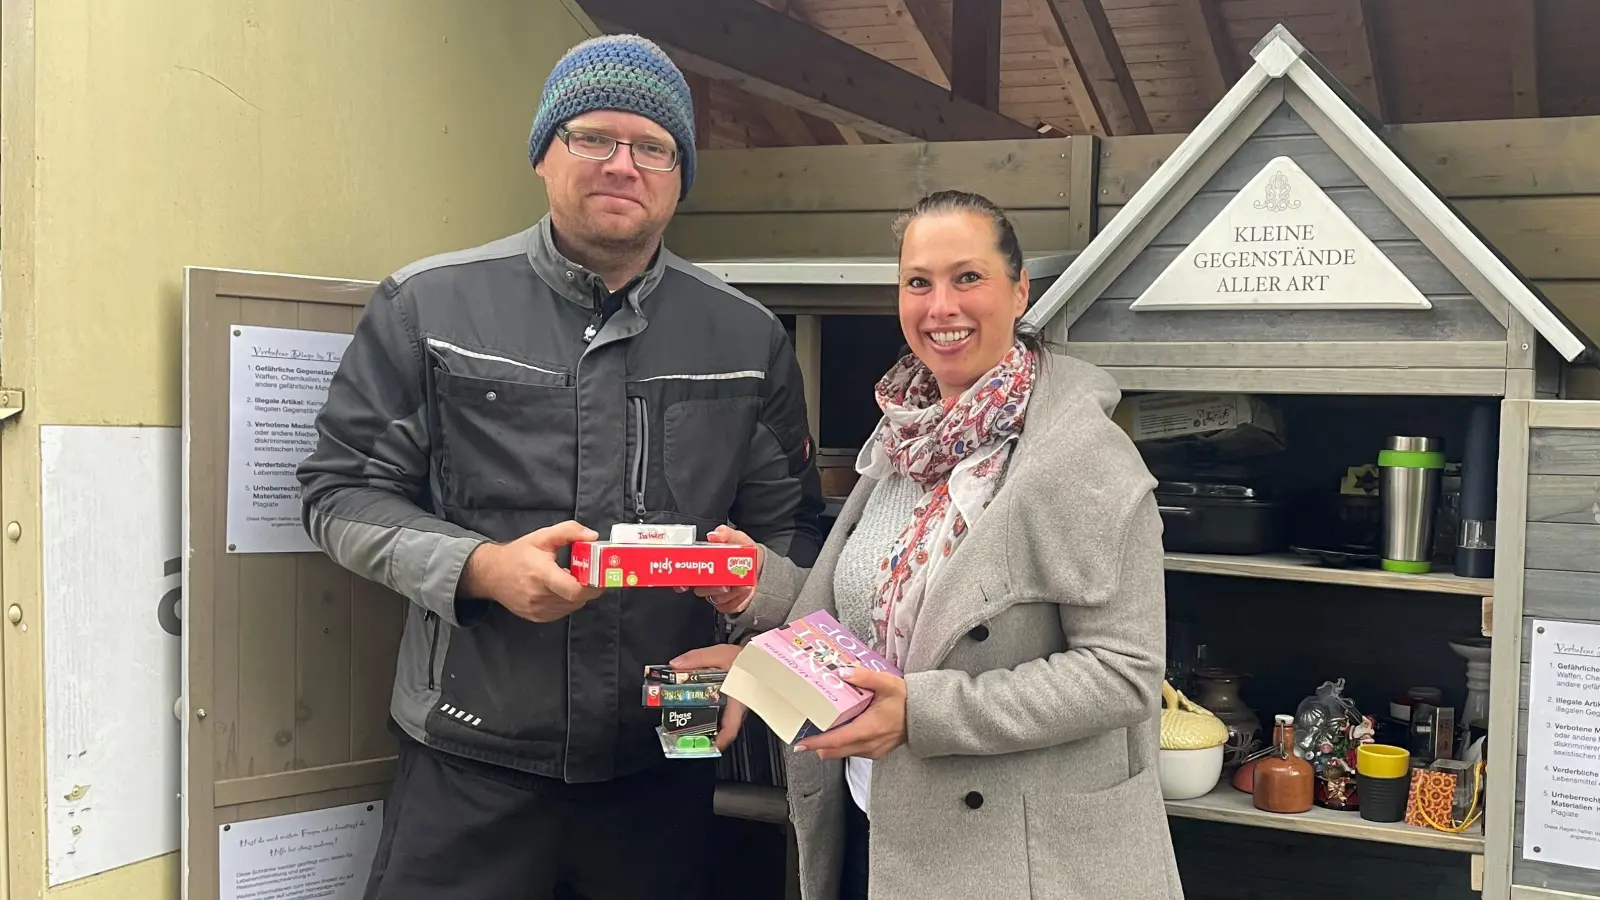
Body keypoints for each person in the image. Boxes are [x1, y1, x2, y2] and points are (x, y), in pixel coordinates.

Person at [295, 33, 824, 900]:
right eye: (593, 138)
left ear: (681, 174)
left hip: (666, 757)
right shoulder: (426, 307)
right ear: (543, 155)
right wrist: (483, 569)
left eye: (652, 146)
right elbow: (338, 492)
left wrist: (754, 656)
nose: (623, 164)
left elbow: (793, 533)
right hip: (468, 762)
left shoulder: (747, 339)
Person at [674, 190, 1185, 900]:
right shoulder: (904, 440)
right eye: (919, 282)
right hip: (874, 827)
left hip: (1013, 859)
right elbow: (875, 627)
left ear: (1018, 289)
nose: (940, 305)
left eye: (966, 278)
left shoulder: (1083, 459)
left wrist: (923, 713)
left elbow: (1123, 674)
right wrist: (757, 591)